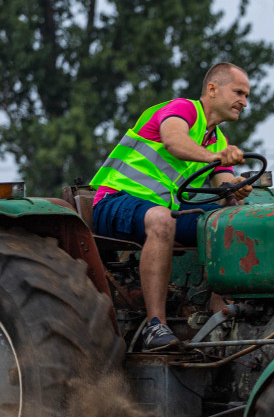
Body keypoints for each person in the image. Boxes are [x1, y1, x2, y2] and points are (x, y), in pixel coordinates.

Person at [90, 62, 253, 350]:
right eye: (239, 92)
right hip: (114, 202)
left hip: (157, 211)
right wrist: (215, 157)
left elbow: (224, 186)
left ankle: (221, 317)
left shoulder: (216, 138)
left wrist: (237, 189)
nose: (244, 101)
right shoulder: (183, 110)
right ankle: (155, 326)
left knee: (227, 222)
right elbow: (174, 141)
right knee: (162, 219)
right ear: (212, 89)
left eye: (247, 96)